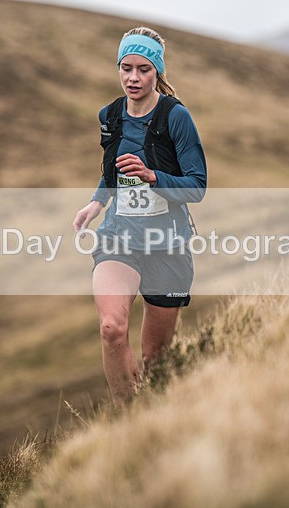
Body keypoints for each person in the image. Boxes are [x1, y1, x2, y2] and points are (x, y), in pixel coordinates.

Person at [72, 26, 207, 405]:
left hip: (168, 246)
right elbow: (114, 169)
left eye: (144, 69)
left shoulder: (176, 117)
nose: (133, 78)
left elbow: (197, 186)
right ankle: (126, 417)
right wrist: (97, 203)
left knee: (155, 359)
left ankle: (155, 417)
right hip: (119, 236)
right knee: (112, 328)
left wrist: (152, 176)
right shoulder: (110, 115)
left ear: (157, 72)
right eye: (126, 67)